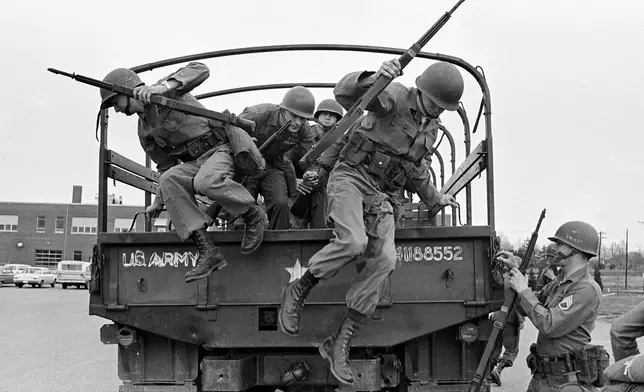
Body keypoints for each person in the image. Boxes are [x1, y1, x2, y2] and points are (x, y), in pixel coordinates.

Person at [278, 59, 461, 385]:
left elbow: (416, 169)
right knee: (353, 241)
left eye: (444, 108)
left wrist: (434, 198)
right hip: (350, 177)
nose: (437, 111)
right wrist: (374, 78)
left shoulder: (430, 128)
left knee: (386, 260)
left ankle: (339, 342)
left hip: (382, 194)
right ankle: (299, 288)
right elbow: (346, 94)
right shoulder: (393, 96)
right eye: (435, 103)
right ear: (421, 90)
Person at [99, 63, 267, 283]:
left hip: (222, 149)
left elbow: (201, 69)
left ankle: (252, 214)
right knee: (170, 179)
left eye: (115, 102)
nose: (118, 109)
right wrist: (159, 202)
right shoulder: (144, 131)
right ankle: (207, 251)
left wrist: (162, 88)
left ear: (127, 90)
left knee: (205, 181)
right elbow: (165, 167)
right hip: (197, 162)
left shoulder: (166, 90)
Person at [497, 221, 605, 391]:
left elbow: (549, 324)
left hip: (566, 382)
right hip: (543, 377)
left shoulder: (586, 289)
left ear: (576, 249)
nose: (555, 248)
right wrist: (517, 270)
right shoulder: (559, 282)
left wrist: (523, 289)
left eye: (561, 244)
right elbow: (529, 306)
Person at [239, 87, 320, 230]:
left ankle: (281, 246)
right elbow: (230, 130)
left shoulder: (304, 128)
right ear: (283, 110)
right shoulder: (258, 114)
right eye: (293, 116)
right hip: (246, 165)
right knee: (243, 205)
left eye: (302, 118)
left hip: (273, 166)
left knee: (281, 204)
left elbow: (311, 157)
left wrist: (311, 172)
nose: (297, 122)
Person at [290, 98, 344, 229]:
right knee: (294, 228)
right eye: (325, 113)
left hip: (325, 192)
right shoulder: (303, 136)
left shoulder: (340, 142)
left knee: (323, 228)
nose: (328, 117)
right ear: (317, 116)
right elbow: (287, 160)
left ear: (337, 120)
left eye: (332, 115)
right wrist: (294, 181)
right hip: (300, 189)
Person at [489, 306, 525, 386]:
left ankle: (488, 375)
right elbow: (517, 303)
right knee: (512, 350)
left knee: (494, 348)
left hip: (496, 318)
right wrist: (521, 320)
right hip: (509, 320)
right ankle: (498, 370)